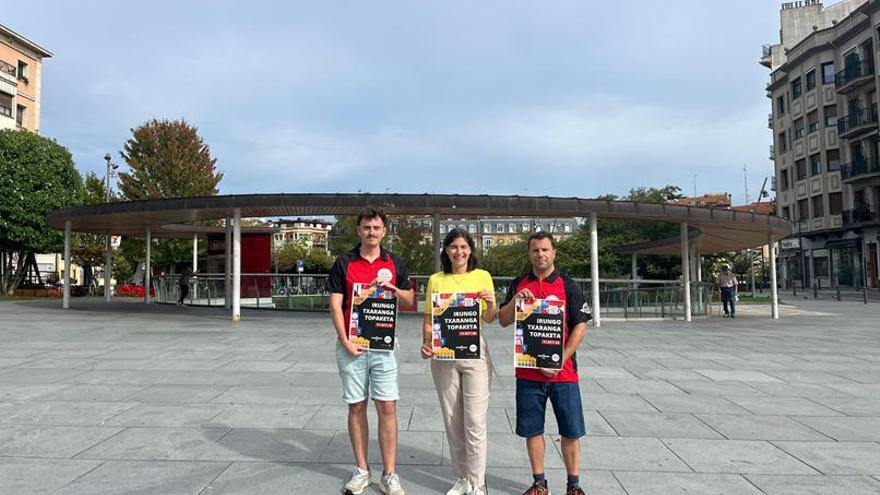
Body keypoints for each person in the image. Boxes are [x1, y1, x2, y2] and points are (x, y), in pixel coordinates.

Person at [326, 209, 415, 495]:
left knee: (387, 406)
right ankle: (362, 469)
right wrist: (345, 340)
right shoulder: (344, 262)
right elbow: (335, 305)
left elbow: (411, 300)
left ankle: (390, 474)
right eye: (367, 227)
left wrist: (392, 287)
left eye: (377, 227)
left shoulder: (394, 262)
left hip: (384, 346)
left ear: (384, 231)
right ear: (358, 231)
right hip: (352, 345)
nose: (372, 232)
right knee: (356, 406)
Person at [498, 232, 591, 495]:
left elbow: (581, 325)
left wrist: (562, 356)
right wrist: (516, 301)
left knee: (571, 431)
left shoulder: (568, 285)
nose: (540, 254)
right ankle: (540, 483)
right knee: (532, 430)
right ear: (529, 254)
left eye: (545, 250)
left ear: (554, 253)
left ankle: (574, 485)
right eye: (535, 250)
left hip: (564, 374)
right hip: (528, 373)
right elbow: (503, 319)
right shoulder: (518, 283)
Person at [420, 228, 497, 495]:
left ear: (471, 250)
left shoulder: (483, 276)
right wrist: (427, 342)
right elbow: (430, 319)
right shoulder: (436, 280)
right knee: (452, 420)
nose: (459, 252)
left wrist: (490, 304)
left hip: (475, 354)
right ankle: (462, 477)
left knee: (474, 421)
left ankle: (478, 483)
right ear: (446, 251)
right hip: (444, 356)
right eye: (453, 247)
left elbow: (489, 318)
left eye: (464, 247)